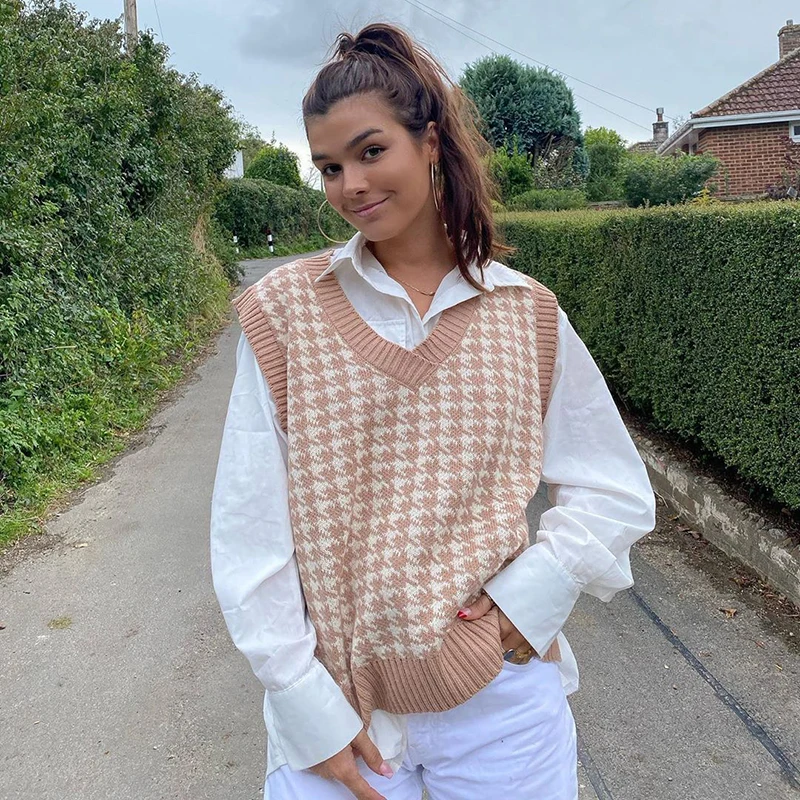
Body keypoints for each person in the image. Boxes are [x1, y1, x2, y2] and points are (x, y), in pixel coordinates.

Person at [210, 21, 656, 800]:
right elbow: (250, 530)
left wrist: (533, 598)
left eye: (370, 151)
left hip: (501, 705)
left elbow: (612, 488)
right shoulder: (283, 315)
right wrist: (303, 704)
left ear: (431, 143)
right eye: (329, 167)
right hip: (338, 714)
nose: (350, 184)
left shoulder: (527, 316)